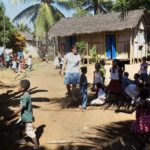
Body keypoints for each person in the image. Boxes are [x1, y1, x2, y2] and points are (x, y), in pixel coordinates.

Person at [6, 80, 39, 150]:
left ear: (23, 88)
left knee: (30, 132)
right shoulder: (25, 94)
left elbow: (21, 108)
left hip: (27, 118)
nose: (17, 87)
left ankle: (36, 146)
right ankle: (22, 140)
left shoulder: (25, 97)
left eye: (19, 86)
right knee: (19, 127)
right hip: (23, 117)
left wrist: (12, 115)